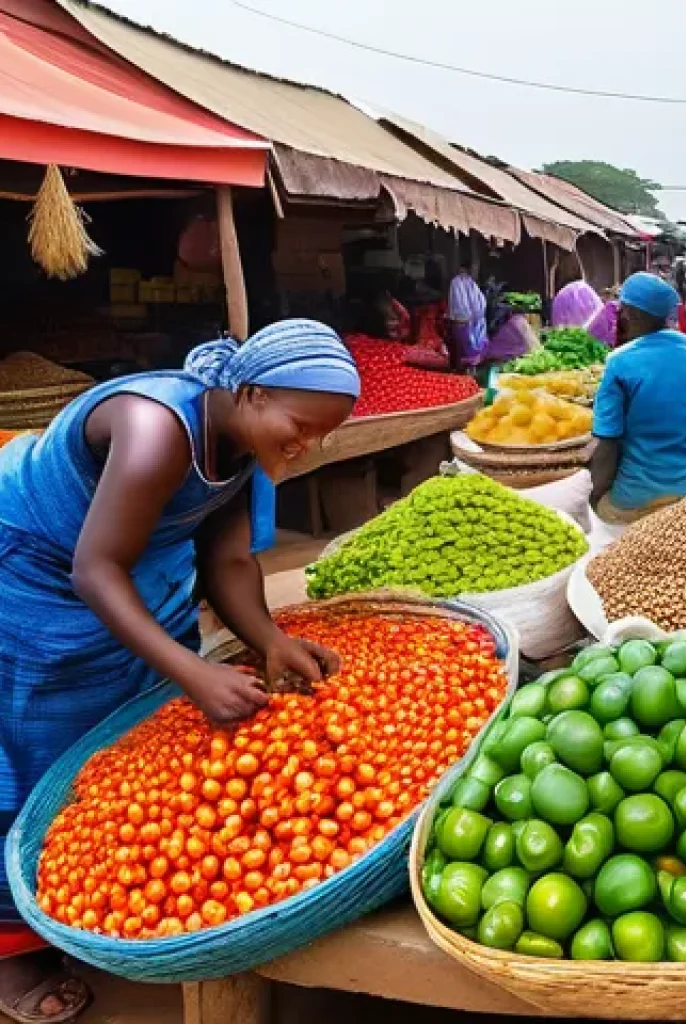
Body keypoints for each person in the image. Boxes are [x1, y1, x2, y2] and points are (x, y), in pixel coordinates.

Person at [0, 320, 359, 1021]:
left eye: (323, 434)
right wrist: (195, 674)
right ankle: (12, 945)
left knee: (125, 731)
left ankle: (92, 885)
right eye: (301, 423)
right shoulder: (156, 426)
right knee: (29, 747)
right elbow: (95, 571)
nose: (307, 444)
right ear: (252, 393)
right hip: (34, 573)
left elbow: (227, 563)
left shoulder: (247, 446)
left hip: (121, 564)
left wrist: (270, 640)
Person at [590, 273, 686, 525]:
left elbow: (607, 442)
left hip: (636, 496)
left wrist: (595, 496)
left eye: (623, 309)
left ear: (631, 313)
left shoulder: (620, 362)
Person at [447, 266, 488, 368]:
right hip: (470, 320)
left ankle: (466, 369)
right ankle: (468, 368)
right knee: (468, 347)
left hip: (466, 321)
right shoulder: (462, 282)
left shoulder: (462, 282)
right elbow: (480, 303)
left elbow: (460, 303)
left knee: (464, 348)